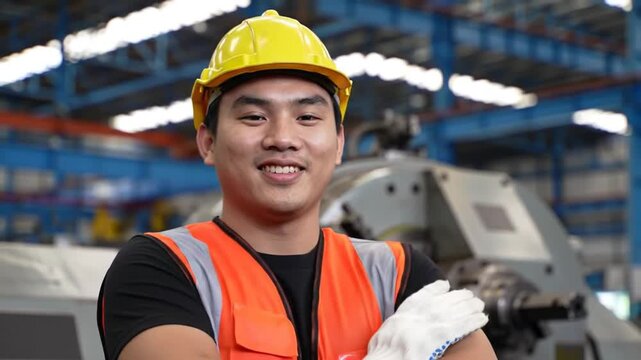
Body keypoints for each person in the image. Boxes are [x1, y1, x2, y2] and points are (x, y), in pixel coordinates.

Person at [97, 9, 497, 360]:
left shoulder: (399, 272)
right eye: (254, 117)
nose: (283, 138)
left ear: (339, 144)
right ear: (209, 143)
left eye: (307, 118)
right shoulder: (161, 268)